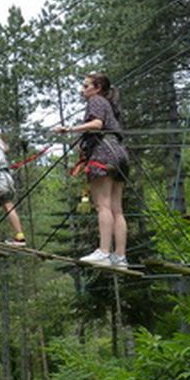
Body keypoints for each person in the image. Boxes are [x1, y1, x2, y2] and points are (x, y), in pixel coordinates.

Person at [54, 72, 129, 268]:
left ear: (97, 88)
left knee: (102, 206)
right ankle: (120, 257)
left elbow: (97, 124)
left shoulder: (96, 100)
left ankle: (104, 252)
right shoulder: (109, 106)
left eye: (86, 86)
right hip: (120, 154)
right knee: (117, 210)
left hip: (103, 153)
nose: (82, 89)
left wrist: (69, 129)